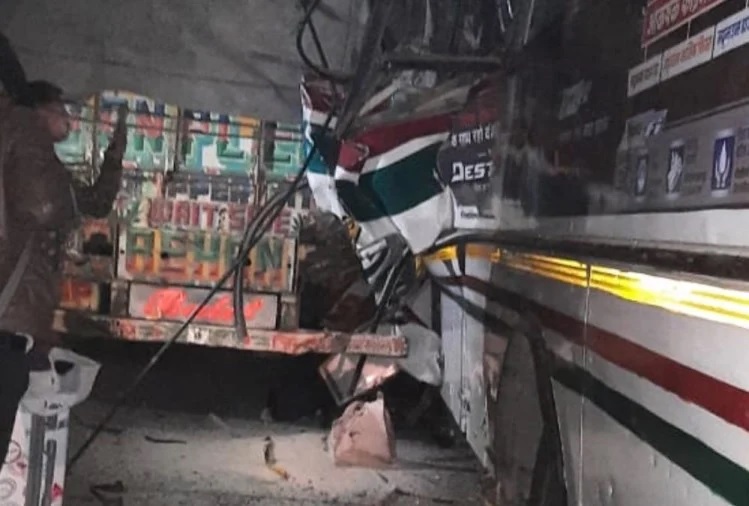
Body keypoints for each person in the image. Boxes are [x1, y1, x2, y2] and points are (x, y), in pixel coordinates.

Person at [0, 81, 126, 465]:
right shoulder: (26, 147)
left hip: (17, 320)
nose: (68, 119)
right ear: (36, 113)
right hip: (7, 320)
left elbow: (95, 202)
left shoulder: (41, 162)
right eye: (60, 110)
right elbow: (45, 207)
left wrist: (115, 152)